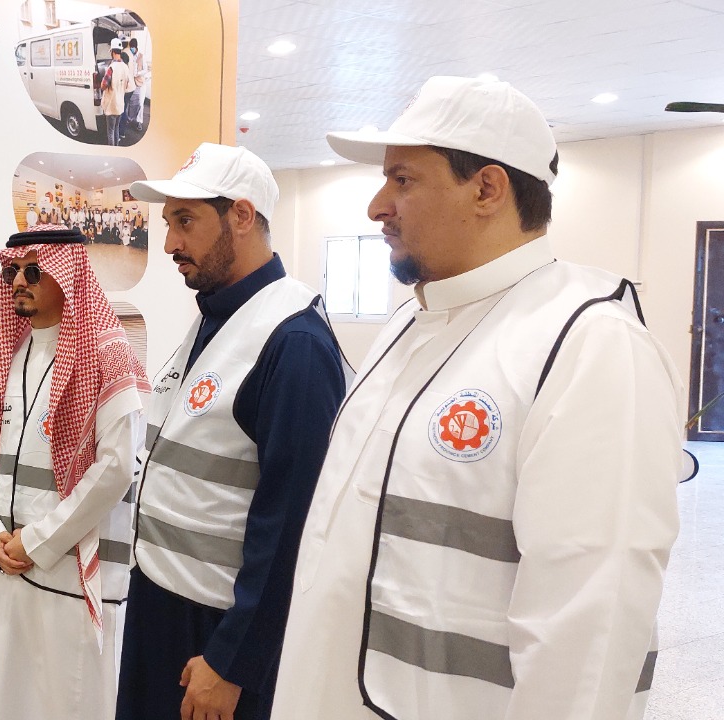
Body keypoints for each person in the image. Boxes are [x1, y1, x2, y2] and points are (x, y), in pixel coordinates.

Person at [272, 76, 684, 720]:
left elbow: (591, 637)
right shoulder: (405, 328)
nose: (377, 206)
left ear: (487, 189)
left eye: (403, 179)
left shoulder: (589, 344)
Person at [115, 143, 348, 720]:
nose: (170, 244)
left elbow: (292, 523)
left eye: (185, 221)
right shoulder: (216, 315)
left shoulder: (293, 341)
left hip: (217, 628)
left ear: (242, 216)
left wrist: (234, 662)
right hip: (162, 601)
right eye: (168, 224)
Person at [0, 225, 151, 719]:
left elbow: (115, 469)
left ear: (68, 276)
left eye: (32, 271)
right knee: (8, 699)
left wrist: (37, 540)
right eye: (12, 271)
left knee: (67, 702)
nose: (17, 282)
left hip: (70, 575)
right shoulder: (10, 355)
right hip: (9, 563)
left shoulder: (108, 357)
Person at [100, 45, 136, 146]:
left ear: (112, 52)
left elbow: (103, 86)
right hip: (120, 104)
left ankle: (112, 151)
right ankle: (116, 148)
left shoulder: (111, 68)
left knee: (110, 131)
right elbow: (128, 84)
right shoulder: (125, 67)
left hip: (111, 104)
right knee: (116, 128)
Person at [126, 38, 147, 131]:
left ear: (136, 47)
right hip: (133, 83)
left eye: (132, 47)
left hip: (140, 83)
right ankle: (130, 118)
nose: (131, 49)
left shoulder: (142, 56)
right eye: (131, 47)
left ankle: (139, 122)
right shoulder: (130, 56)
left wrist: (138, 73)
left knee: (140, 103)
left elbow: (146, 69)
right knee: (132, 102)